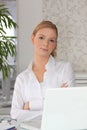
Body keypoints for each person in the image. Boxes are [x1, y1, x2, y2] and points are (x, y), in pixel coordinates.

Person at [10, 20, 75, 122]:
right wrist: (54, 104)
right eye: (41, 37)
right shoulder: (22, 78)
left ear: (55, 45)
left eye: (51, 40)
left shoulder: (65, 69)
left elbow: (67, 106)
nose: (45, 43)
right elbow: (15, 114)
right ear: (33, 38)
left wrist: (30, 105)